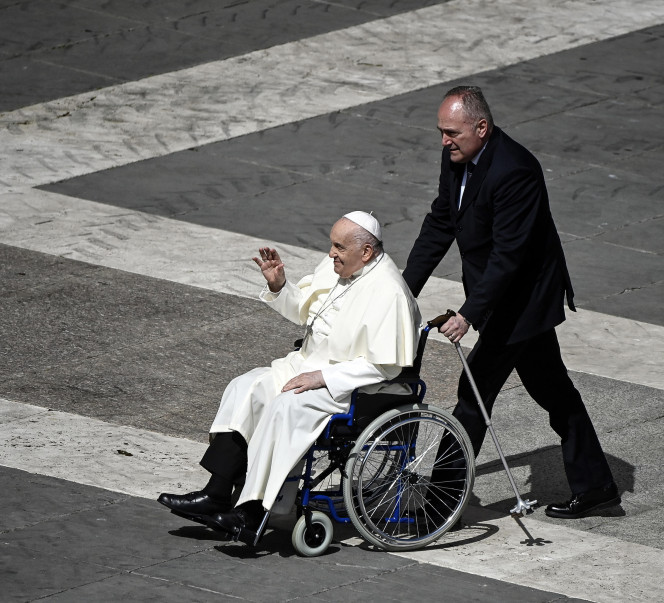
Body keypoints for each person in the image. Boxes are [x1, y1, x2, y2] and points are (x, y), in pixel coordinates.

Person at [402, 86, 620, 519]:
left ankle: (439, 505)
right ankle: (596, 486)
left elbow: (510, 256)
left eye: (452, 132)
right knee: (552, 389)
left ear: (481, 128)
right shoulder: (457, 156)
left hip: (523, 299)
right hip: (500, 293)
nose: (444, 141)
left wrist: (469, 313)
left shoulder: (515, 170)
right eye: (441, 132)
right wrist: (403, 291)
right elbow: (440, 223)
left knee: (474, 391)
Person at [158, 211, 421, 536]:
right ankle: (216, 492)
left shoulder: (389, 291)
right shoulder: (340, 265)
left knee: (284, 406)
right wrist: (280, 286)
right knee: (247, 387)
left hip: (351, 386)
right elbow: (306, 312)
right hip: (306, 363)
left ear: (365, 252)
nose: (330, 254)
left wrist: (323, 378)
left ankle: (253, 512)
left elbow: (385, 365)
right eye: (332, 245)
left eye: (338, 247)